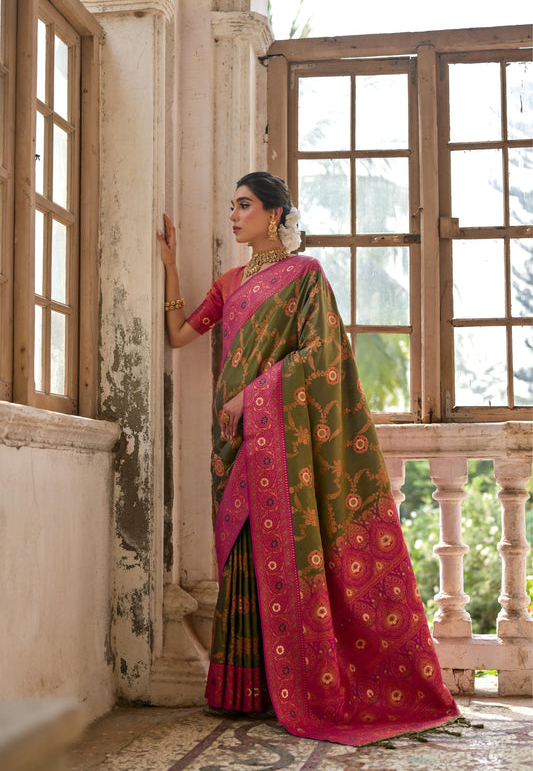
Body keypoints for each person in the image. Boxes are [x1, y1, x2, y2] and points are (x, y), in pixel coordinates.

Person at [157, 171, 460, 746]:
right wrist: (171, 267)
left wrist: (253, 395)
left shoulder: (305, 276)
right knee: (242, 556)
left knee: (283, 554)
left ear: (274, 214)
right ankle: (242, 691)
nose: (233, 216)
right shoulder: (229, 283)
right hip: (233, 443)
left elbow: (323, 353)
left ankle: (295, 688)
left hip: (273, 434)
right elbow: (178, 335)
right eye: (231, 206)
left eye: (243, 205)